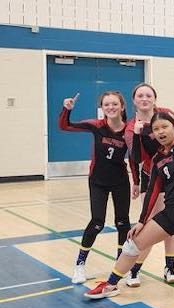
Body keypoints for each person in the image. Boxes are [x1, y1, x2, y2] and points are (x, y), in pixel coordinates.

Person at [85, 112, 174, 300]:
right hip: (170, 213)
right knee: (133, 244)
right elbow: (153, 192)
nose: (160, 132)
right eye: (156, 129)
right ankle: (111, 284)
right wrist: (141, 221)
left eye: (164, 126)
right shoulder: (157, 159)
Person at [58, 91, 131, 285]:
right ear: (102, 108)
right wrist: (67, 109)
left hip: (120, 181)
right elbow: (65, 125)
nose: (111, 107)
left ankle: (121, 266)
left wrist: (138, 182)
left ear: (122, 106)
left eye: (114, 104)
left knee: (123, 223)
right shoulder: (97, 126)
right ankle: (80, 265)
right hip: (97, 181)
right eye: (106, 104)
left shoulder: (130, 130)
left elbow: (136, 156)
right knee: (97, 222)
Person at [125, 83, 174, 286]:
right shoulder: (132, 126)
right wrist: (135, 181)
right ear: (134, 100)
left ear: (154, 99)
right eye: (140, 95)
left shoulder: (166, 115)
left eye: (148, 95)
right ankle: (134, 269)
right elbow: (134, 157)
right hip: (151, 176)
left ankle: (170, 266)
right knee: (149, 223)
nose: (144, 98)